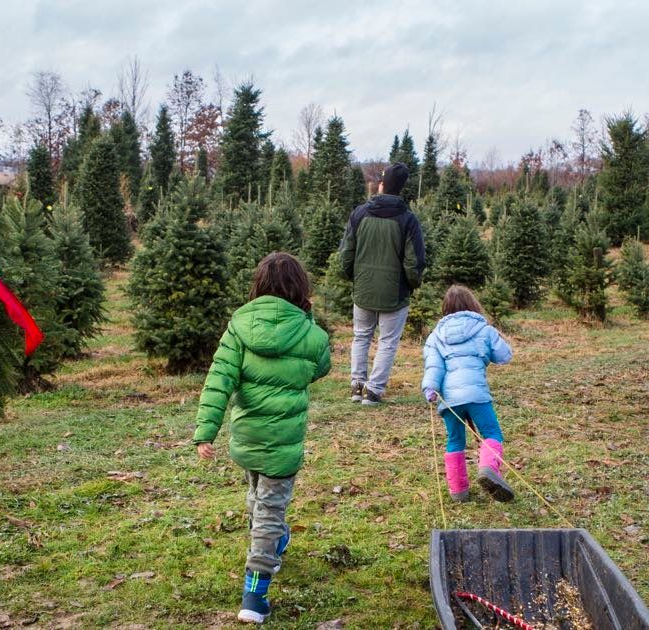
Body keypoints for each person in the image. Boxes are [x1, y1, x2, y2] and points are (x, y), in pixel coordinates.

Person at [192, 252, 331, 624]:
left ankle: (275, 541)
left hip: (247, 437)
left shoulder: (238, 327)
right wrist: (308, 319)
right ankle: (254, 595)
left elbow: (218, 381)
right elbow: (321, 366)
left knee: (258, 500)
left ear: (258, 286)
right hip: (284, 444)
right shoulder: (310, 333)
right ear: (302, 290)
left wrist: (206, 431)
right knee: (269, 511)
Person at [339, 162, 426, 405]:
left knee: (361, 336)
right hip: (394, 293)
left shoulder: (359, 214)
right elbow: (414, 261)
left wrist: (353, 277)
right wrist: (412, 284)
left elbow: (346, 252)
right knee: (387, 342)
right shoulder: (408, 220)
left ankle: (357, 385)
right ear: (401, 189)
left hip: (363, 289)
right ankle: (374, 390)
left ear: (381, 185)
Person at [421, 285, 514, 503]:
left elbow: (433, 366)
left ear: (445, 309)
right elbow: (504, 356)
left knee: (455, 441)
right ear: (473, 305)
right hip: (476, 395)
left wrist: (430, 388)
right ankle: (488, 468)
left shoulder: (436, 336)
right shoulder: (484, 329)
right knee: (491, 434)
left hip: (449, 400)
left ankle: (459, 491)